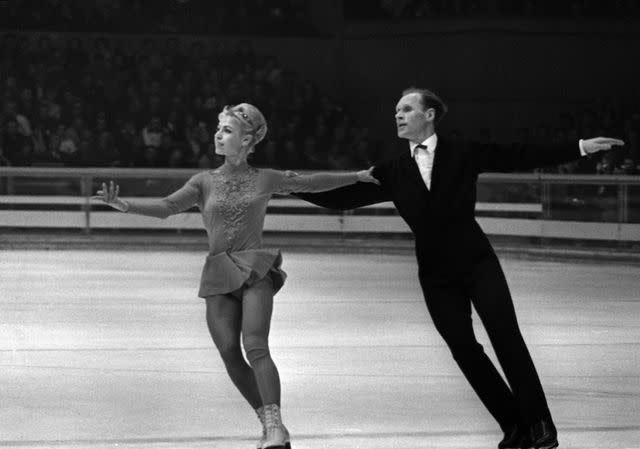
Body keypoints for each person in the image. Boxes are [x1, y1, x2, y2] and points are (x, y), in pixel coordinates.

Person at [294, 87, 625, 449]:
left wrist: (578, 147)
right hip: (436, 274)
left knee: (506, 338)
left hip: (476, 261)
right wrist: (281, 185)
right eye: (396, 111)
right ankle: (514, 425)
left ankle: (541, 424)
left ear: (430, 114)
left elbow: (518, 155)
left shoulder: (463, 152)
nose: (398, 116)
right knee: (464, 349)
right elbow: (342, 198)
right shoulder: (391, 171)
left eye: (406, 109)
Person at [93, 103, 379, 449]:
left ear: (247, 140)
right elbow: (168, 207)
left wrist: (357, 176)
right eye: (218, 129)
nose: (218, 134)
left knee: (255, 345)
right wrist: (125, 206)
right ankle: (268, 424)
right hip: (218, 273)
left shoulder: (265, 178)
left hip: (254, 269)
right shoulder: (203, 181)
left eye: (226, 130)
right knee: (229, 352)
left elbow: (311, 182)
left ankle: (275, 426)